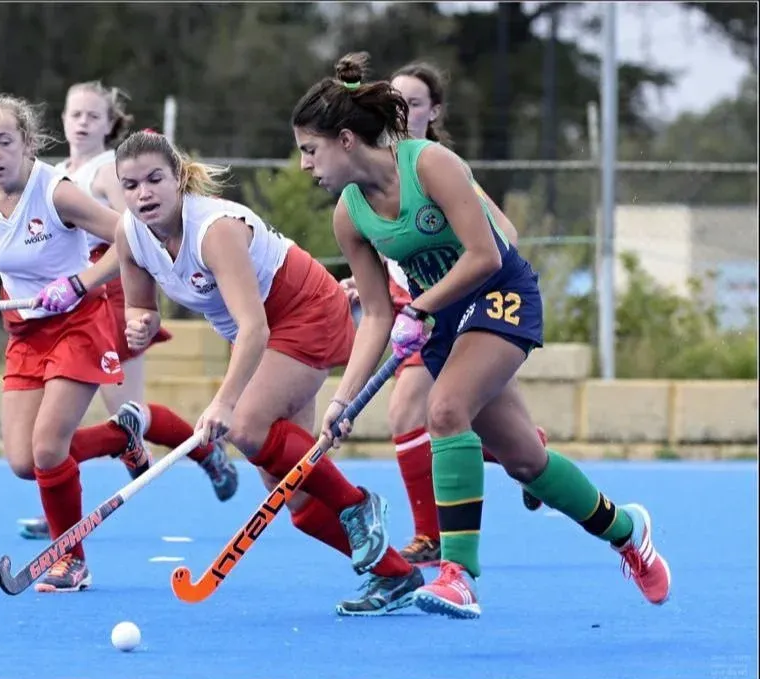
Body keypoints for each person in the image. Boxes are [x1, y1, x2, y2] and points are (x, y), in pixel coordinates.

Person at [292, 52, 671, 619]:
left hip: (500, 293)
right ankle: (627, 532)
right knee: (525, 461)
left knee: (444, 411)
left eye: (309, 150)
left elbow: (487, 253)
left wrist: (420, 305)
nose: (304, 165)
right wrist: (341, 401)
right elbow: (375, 316)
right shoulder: (349, 216)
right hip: (446, 323)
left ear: (345, 140)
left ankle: (459, 575)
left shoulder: (430, 165)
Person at [112, 129, 425, 616]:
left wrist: (224, 402)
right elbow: (141, 307)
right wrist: (141, 323)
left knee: (246, 427)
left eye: (155, 179)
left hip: (305, 311)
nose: (144, 194)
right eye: (131, 185)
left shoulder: (214, 230)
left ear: (178, 179)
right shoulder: (130, 235)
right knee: (294, 497)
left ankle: (357, 505)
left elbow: (253, 327)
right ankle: (395, 574)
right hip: (258, 333)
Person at [0, 93, 149, 593]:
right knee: (25, 462)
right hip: (26, 329)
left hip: (78, 321)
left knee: (48, 449)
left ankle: (71, 559)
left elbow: (130, 238)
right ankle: (120, 437)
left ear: (27, 143)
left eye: (5, 141)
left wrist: (80, 283)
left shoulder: (57, 192)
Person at [5, 81, 239, 540]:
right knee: (79, 424)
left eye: (93, 115)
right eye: (75, 114)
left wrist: (99, 285)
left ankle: (204, 451)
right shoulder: (53, 172)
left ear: (110, 124)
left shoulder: (109, 172)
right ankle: (59, 500)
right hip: (62, 303)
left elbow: (133, 233)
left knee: (127, 412)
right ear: (62, 120)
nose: (82, 123)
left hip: (107, 293)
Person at [336, 59, 547, 567]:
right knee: (471, 427)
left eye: (413, 104)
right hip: (416, 309)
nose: (401, 112)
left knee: (415, 410)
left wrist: (440, 293)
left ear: (433, 112)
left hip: (462, 306)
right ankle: (519, 455)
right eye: (395, 102)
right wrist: (375, 284)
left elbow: (502, 236)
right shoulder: (365, 185)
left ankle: (437, 539)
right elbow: (396, 249)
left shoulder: (437, 166)